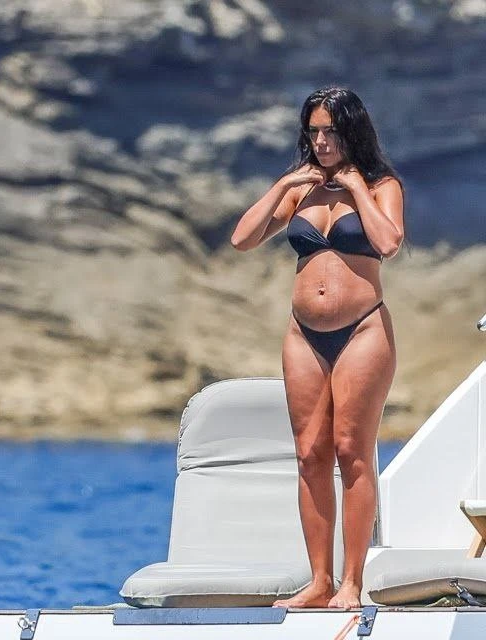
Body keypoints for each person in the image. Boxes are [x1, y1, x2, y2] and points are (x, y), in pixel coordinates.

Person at [230, 87, 405, 609]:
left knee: (352, 451)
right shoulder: (301, 191)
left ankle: (352, 582)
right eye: (314, 132)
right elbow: (243, 239)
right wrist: (284, 183)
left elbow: (389, 242)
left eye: (331, 131)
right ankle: (319, 581)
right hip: (303, 335)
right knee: (310, 455)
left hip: (362, 330)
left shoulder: (382, 184)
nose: (322, 141)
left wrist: (356, 188)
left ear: (353, 130)